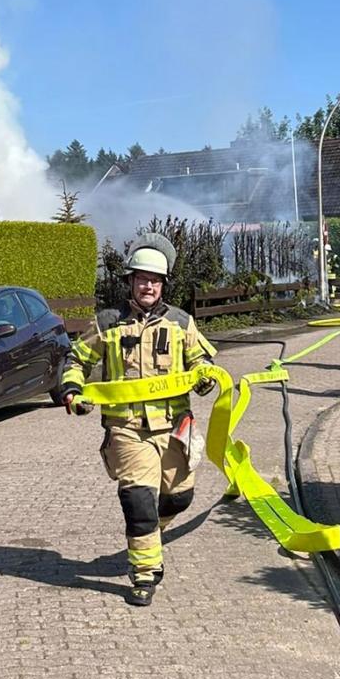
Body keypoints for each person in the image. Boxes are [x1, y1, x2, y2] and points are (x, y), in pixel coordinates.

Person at [60, 234, 217, 607]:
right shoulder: (107, 323)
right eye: (142, 279)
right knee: (139, 501)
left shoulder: (181, 323)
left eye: (155, 280)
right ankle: (145, 573)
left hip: (174, 429)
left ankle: (149, 534)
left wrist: (205, 376)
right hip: (127, 431)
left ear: (163, 285)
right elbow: (76, 360)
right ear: (130, 281)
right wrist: (72, 391)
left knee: (179, 497)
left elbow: (202, 361)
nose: (148, 286)